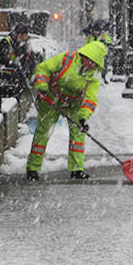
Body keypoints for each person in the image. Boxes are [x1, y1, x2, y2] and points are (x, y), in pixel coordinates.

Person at [25, 39, 106, 181]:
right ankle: (33, 168)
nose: (91, 65)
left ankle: (77, 169)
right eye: (90, 61)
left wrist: (83, 117)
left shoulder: (94, 75)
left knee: (78, 133)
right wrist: (42, 86)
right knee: (43, 133)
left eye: (95, 63)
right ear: (85, 56)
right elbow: (43, 69)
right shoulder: (66, 59)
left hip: (73, 103)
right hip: (51, 98)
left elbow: (90, 98)